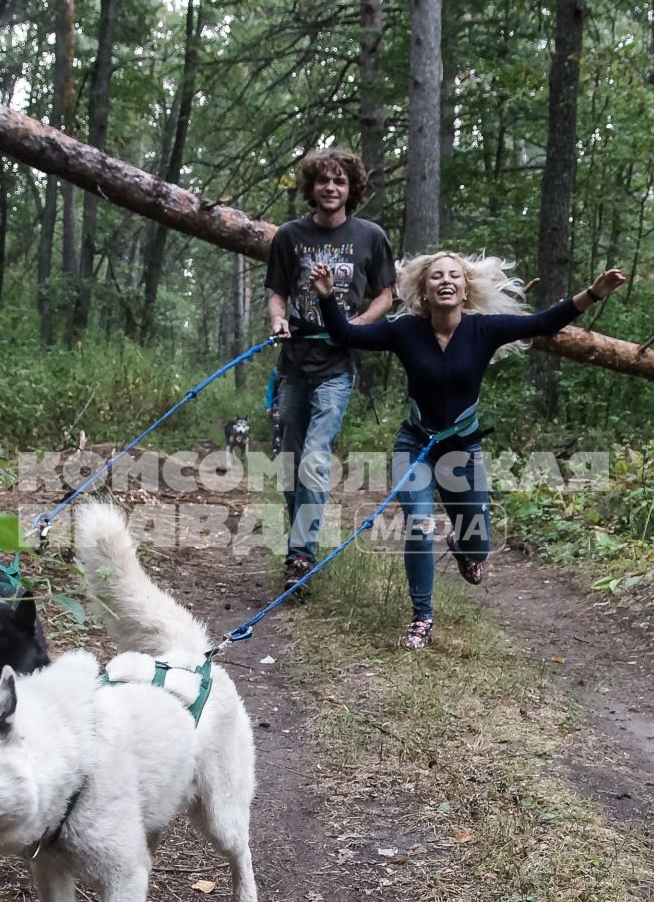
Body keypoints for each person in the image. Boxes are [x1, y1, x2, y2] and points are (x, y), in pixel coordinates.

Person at [316, 252, 626, 649]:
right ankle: (422, 618)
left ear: (466, 289)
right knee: (420, 525)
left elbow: (545, 323)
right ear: (424, 291)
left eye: (454, 276)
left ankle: (465, 550)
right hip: (416, 445)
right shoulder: (404, 331)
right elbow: (345, 334)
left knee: (478, 543)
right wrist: (326, 296)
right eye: (436, 277)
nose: (445, 281)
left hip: (464, 448)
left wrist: (593, 293)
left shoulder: (485, 330)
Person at [265, 146, 398, 589]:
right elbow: (277, 292)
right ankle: (297, 542)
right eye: (323, 180)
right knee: (290, 464)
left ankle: (301, 557)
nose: (331, 187)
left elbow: (386, 294)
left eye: (339, 181)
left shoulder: (371, 236)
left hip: (337, 367)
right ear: (311, 187)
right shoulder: (289, 236)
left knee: (315, 460)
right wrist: (278, 320)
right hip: (293, 363)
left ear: (351, 189)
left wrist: (356, 325)